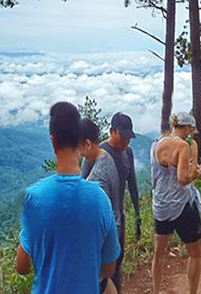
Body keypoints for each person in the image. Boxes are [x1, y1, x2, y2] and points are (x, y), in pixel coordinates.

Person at [16, 101, 120, 294]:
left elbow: (21, 267)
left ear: (53, 141)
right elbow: (108, 268)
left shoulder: (35, 198)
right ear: (79, 142)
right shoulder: (99, 198)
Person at [81, 112, 141, 294]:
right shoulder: (96, 154)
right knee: (103, 266)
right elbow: (82, 185)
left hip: (118, 216)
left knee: (117, 261)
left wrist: (138, 216)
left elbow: (133, 183)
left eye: (129, 138)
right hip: (99, 222)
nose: (126, 142)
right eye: (123, 137)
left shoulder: (127, 153)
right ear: (112, 131)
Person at [151, 112, 201, 294]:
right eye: (190, 130)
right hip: (182, 205)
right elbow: (183, 178)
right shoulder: (183, 145)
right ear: (185, 128)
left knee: (158, 254)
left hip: (160, 205)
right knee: (196, 252)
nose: (191, 133)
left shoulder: (156, 144)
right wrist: (199, 172)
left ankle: (156, 290)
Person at [79, 118, 122, 294]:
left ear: (88, 144)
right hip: (114, 228)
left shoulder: (98, 178)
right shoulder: (105, 155)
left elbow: (93, 216)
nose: (78, 153)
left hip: (103, 238)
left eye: (79, 147)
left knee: (101, 281)